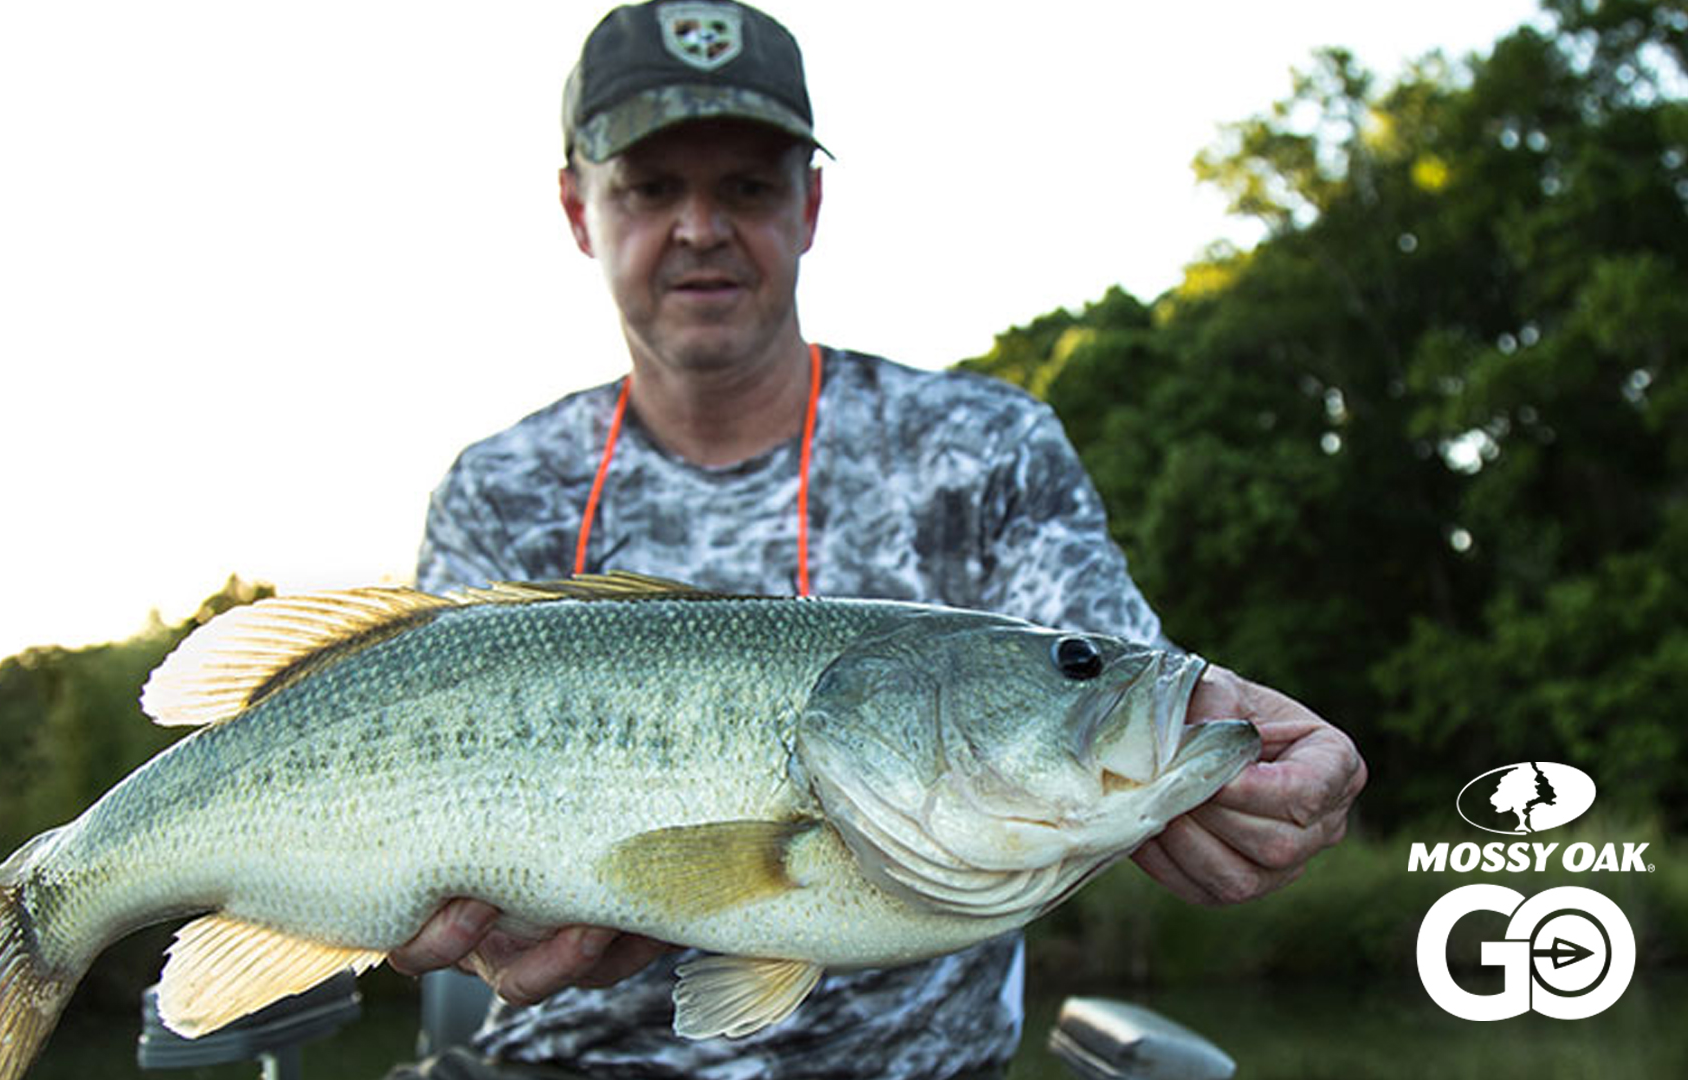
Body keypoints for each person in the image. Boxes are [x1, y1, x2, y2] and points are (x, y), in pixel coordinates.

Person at [388, 2, 1366, 1077]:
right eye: (651, 188)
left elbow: (1099, 674)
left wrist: (1242, 739)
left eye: (747, 188)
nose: (701, 227)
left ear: (809, 204)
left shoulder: (983, 447)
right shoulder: (498, 488)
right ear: (579, 209)